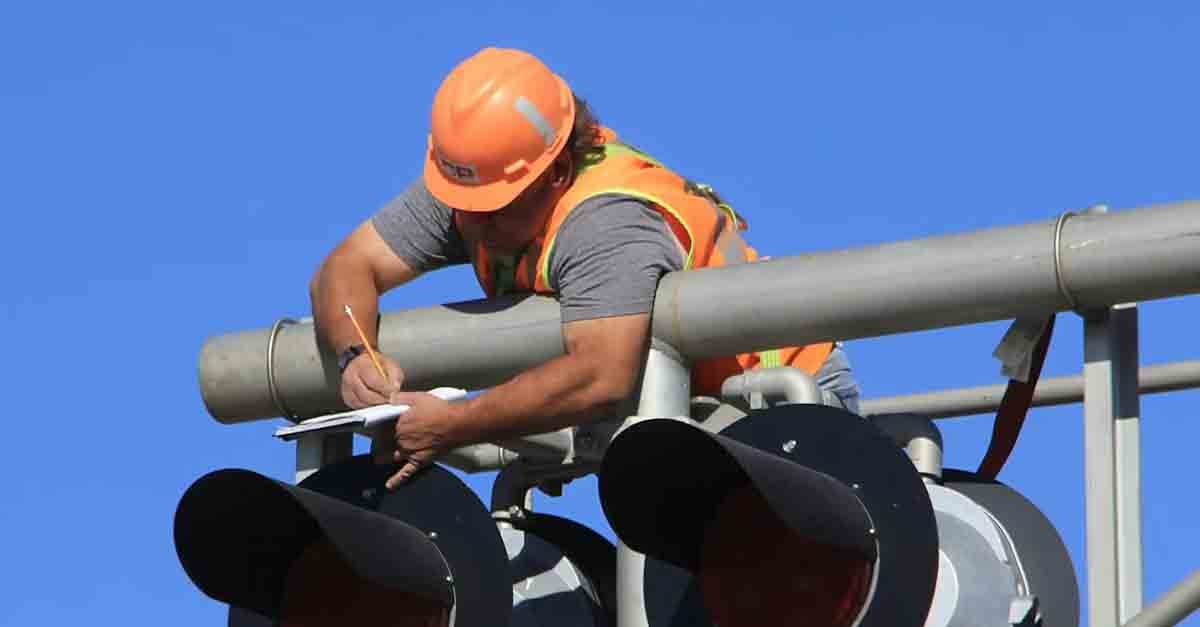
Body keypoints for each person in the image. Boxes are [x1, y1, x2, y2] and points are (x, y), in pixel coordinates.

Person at [309, 47, 860, 489]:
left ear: (555, 173)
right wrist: (356, 352)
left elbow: (601, 375)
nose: (471, 226)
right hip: (696, 415)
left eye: (492, 211)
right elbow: (346, 267)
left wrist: (454, 425)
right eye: (462, 205)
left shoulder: (606, 222)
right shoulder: (476, 186)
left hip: (786, 403)